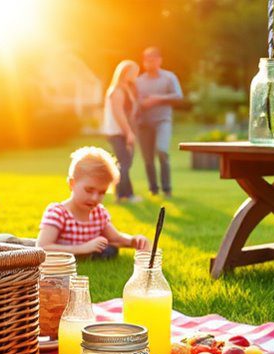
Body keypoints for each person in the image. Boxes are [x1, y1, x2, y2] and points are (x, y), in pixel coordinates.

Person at [35, 147, 151, 259]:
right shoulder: (58, 213)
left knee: (111, 250)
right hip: (64, 270)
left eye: (102, 192)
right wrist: (82, 248)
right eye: (89, 190)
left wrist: (133, 241)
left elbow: (115, 238)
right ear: (72, 184)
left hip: (91, 259)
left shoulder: (98, 213)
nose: (95, 198)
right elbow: (42, 247)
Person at [137, 47, 183, 197]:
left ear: (160, 60)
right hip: (143, 124)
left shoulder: (169, 77)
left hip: (163, 121)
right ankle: (153, 189)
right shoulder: (139, 81)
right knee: (148, 159)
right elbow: (134, 101)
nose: (151, 63)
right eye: (148, 60)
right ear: (144, 62)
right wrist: (142, 103)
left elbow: (178, 96)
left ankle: (167, 188)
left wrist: (158, 99)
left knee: (162, 151)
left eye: (154, 60)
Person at [102, 60, 141, 203]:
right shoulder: (117, 90)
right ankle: (123, 195)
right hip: (118, 132)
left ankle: (125, 194)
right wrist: (128, 132)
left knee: (124, 163)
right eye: (134, 72)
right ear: (125, 73)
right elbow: (118, 113)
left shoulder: (124, 88)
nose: (136, 75)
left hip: (120, 131)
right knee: (124, 163)